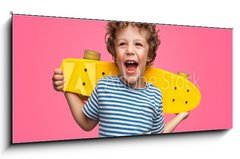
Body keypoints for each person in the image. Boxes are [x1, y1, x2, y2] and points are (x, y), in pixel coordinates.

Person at [52, 21, 189, 137]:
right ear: (114, 53)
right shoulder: (104, 86)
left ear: (149, 54)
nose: (130, 50)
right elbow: (86, 123)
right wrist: (66, 87)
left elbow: (158, 134)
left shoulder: (155, 95)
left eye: (138, 44)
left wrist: (180, 116)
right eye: (122, 44)